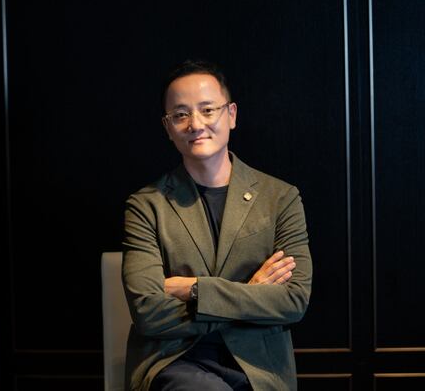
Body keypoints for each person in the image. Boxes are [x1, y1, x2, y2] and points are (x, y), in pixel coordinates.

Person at [122, 60, 312, 391]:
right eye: (180, 115)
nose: (195, 124)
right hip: (174, 361)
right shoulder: (146, 206)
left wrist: (194, 289)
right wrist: (252, 292)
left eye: (208, 110)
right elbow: (147, 312)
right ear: (167, 127)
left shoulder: (280, 198)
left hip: (259, 367)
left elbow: (293, 300)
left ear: (231, 114)